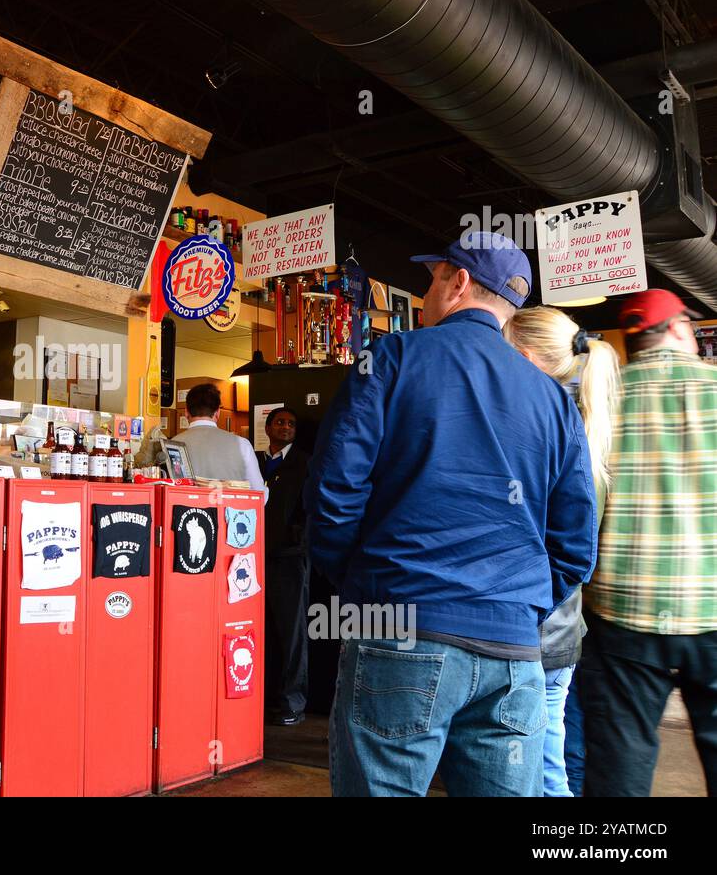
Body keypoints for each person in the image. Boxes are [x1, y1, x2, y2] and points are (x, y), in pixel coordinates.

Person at [306, 231, 597, 797]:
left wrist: (368, 584)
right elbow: (575, 542)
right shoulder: (554, 402)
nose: (425, 296)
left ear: (458, 281)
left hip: (399, 622)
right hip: (514, 651)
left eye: (432, 279)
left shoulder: (390, 359)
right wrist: (520, 602)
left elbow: (333, 491)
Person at [580, 288, 717, 797]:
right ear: (682, 328)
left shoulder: (601, 400)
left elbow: (582, 510)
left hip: (622, 614)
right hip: (713, 608)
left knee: (619, 766)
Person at [505, 306, 621, 797]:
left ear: (528, 360)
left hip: (530, 633)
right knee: (546, 764)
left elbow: (561, 553)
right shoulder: (585, 438)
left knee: (525, 770)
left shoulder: (544, 440)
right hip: (560, 632)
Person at [256, 407, 311, 726]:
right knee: (262, 633)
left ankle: (293, 703)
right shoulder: (256, 461)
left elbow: (310, 508)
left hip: (290, 559)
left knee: (292, 635)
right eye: (280, 422)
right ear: (268, 426)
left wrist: (295, 540)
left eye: (291, 423)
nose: (286, 427)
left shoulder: (304, 462)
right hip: (253, 559)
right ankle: (262, 699)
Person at [171, 383, 265, 492]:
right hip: (229, 508)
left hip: (184, 508)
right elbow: (259, 493)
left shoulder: (172, 444)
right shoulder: (242, 444)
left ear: (186, 412)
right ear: (217, 413)